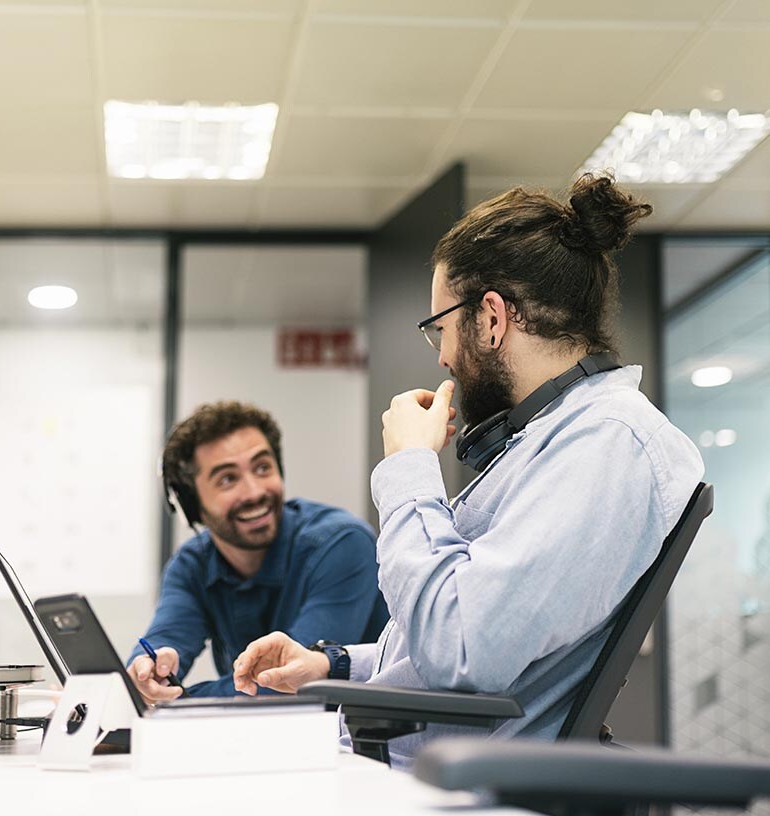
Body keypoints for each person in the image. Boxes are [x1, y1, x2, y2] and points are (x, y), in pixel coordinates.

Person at [232, 174, 705, 766]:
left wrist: (408, 467)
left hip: (438, 785)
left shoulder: (608, 443)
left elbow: (459, 647)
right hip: (401, 766)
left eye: (442, 328)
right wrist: (333, 664)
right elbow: (466, 635)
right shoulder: (553, 439)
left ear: (491, 318)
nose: (442, 355)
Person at [127, 400, 388, 701]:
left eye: (263, 468)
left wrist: (177, 701)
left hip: (359, 729)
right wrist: (148, 673)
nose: (254, 492)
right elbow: (166, 638)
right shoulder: (192, 565)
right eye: (228, 479)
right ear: (192, 503)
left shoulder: (342, 544)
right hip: (259, 729)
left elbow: (289, 682)